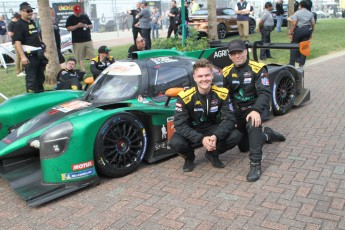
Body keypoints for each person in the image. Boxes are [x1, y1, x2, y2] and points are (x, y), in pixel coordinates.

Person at [222, 39, 286, 182]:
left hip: (255, 108)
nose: (237, 56)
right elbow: (226, 96)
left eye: (240, 52)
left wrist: (256, 110)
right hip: (239, 111)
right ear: (230, 55)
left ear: (246, 52)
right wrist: (229, 113)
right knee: (244, 147)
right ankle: (268, 135)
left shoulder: (258, 68)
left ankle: (256, 164)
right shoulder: (226, 71)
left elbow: (265, 93)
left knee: (253, 123)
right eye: (233, 53)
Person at [169, 59, 242, 172]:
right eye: (200, 76)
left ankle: (212, 154)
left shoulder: (222, 93)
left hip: (211, 128)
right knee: (175, 143)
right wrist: (201, 139)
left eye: (207, 75)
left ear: (212, 75)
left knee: (236, 135)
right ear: (194, 77)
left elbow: (230, 119)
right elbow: (179, 125)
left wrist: (215, 136)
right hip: (192, 128)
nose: (204, 79)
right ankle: (189, 158)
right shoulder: (184, 97)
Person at [13, 2, 47, 93]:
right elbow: (17, 42)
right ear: (21, 12)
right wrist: (23, 56)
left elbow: (36, 36)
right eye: (28, 11)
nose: (30, 13)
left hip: (38, 54)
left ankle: (40, 94)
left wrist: (41, 45)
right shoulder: (19, 24)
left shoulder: (32, 22)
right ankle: (31, 97)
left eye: (31, 11)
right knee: (32, 79)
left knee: (40, 78)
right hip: (30, 55)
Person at [66, 4, 95, 72]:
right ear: (74, 11)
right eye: (77, 12)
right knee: (80, 57)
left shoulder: (84, 16)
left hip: (88, 40)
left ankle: (93, 68)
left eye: (79, 12)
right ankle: (83, 70)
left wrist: (86, 26)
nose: (78, 13)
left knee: (92, 56)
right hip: (77, 41)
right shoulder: (70, 18)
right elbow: (68, 28)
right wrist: (77, 26)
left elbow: (91, 25)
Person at [288, 0, 315, 68]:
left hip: (299, 30)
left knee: (294, 45)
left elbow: (294, 24)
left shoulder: (297, 13)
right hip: (307, 30)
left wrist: (291, 33)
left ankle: (292, 63)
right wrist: (311, 33)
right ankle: (301, 64)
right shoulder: (310, 13)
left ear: (301, 5)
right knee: (304, 46)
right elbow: (313, 24)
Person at [7, 13, 25, 77]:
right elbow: (10, 34)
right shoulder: (11, 24)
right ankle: (18, 71)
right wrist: (17, 32)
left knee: (22, 56)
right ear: (16, 18)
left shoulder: (17, 23)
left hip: (21, 42)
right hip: (15, 42)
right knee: (18, 57)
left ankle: (22, 69)